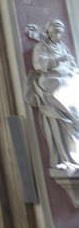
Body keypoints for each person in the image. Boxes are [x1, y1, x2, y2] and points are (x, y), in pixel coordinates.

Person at [25, 20, 79, 172]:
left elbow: (73, 65)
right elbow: (39, 65)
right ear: (49, 32)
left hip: (66, 80)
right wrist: (59, 60)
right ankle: (68, 156)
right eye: (55, 32)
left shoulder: (62, 47)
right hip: (50, 82)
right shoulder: (41, 46)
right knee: (64, 106)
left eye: (60, 32)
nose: (58, 35)